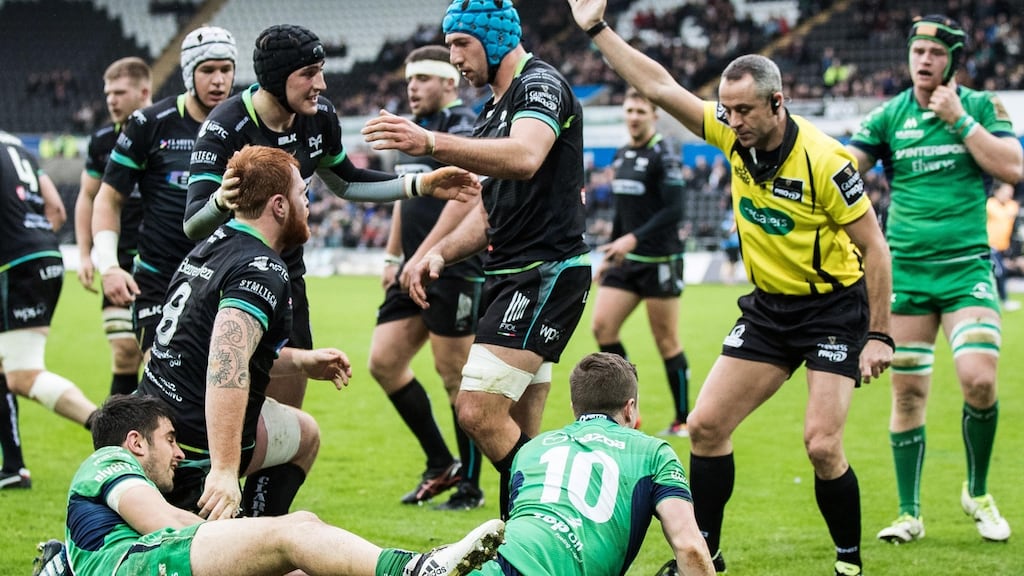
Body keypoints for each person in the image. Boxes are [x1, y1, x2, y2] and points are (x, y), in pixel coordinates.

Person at [565, 2, 894, 575]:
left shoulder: (825, 159)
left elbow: (875, 247)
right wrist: (597, 30)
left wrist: (880, 335)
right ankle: (707, 555)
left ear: (776, 102)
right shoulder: (730, 133)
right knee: (708, 426)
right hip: (770, 309)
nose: (732, 120)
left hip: (833, 311)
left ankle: (848, 562)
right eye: (727, 109)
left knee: (820, 445)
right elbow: (660, 85)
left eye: (744, 110)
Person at [362, 0, 592, 520]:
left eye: (461, 45)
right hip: (510, 273)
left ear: (494, 41)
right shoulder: (493, 108)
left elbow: (526, 157)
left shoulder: (539, 85)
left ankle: (554, 515)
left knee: (476, 410)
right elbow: (491, 208)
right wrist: (436, 252)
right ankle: (530, 536)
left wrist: (431, 143)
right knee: (521, 430)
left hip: (545, 273)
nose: (455, 58)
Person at [184, 24, 480, 414]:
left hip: (286, 278)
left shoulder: (319, 117)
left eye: (321, 70)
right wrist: (221, 202)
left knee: (288, 420)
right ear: (276, 79)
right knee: (229, 412)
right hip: (228, 280)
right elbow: (192, 225)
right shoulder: (226, 126)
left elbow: (346, 182)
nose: (321, 83)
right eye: (308, 74)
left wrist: (422, 184)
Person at [846, 15, 1022, 544]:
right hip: (908, 274)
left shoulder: (983, 107)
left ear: (953, 60)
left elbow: (1014, 167)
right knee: (907, 397)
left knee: (980, 380)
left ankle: (978, 492)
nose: (924, 60)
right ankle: (909, 513)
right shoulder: (887, 116)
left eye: (936, 53)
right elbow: (847, 168)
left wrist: (960, 121)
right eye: (918, 51)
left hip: (966, 268)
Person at [56, 393, 505, 576]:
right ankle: (412, 569)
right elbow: (163, 524)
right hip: (145, 563)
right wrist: (244, 532)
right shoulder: (107, 460)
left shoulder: (106, 488)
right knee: (290, 532)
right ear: (134, 442)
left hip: (149, 563)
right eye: (170, 439)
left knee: (297, 550)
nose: (178, 453)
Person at [137, 145, 348, 520]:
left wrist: (302, 361)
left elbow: (219, 345)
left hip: (150, 420)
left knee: (304, 433)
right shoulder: (262, 267)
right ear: (279, 206)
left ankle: (254, 528)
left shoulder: (210, 246)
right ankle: (254, 540)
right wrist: (222, 469)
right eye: (304, 195)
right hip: (190, 450)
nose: (309, 205)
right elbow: (226, 360)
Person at [368, 45, 486, 510]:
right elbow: (403, 196)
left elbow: (465, 200)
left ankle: (472, 486)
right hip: (413, 265)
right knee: (384, 361)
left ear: (449, 83)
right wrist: (393, 255)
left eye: (422, 78)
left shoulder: (463, 128)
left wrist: (423, 254)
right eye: (409, 79)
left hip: (453, 268)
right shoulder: (410, 131)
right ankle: (441, 463)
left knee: (455, 376)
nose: (412, 87)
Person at [468, 352, 714, 576]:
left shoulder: (532, 449)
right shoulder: (653, 453)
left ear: (575, 408)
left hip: (494, 563)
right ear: (630, 409)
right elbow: (690, 547)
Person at [92, 26, 237, 366]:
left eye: (225, 69)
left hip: (225, 277)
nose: (218, 80)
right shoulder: (150, 123)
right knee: (170, 382)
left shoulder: (244, 121)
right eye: (207, 70)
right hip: (160, 279)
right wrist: (108, 265)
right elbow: (107, 199)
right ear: (189, 72)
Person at [0, 131, 98, 489]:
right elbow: (55, 208)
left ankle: (108, 425)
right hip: (45, 253)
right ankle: (13, 467)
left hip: (15, 265)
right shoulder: (13, 143)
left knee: (22, 376)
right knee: (4, 364)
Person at [590, 87, 690, 437]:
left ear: (654, 115)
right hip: (627, 260)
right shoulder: (620, 155)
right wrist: (609, 252)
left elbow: (675, 210)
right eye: (629, 110)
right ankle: (629, 408)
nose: (633, 117)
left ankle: (682, 420)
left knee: (666, 341)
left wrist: (633, 238)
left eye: (640, 111)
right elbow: (622, 212)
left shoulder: (666, 154)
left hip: (660, 259)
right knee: (603, 328)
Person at [74, 56, 152, 396]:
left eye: (119, 92)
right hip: (117, 261)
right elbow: (87, 198)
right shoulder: (102, 140)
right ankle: (116, 443)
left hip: (161, 261)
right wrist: (85, 253)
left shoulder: (167, 130)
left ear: (143, 91)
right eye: (108, 93)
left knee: (159, 359)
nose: (111, 100)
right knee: (123, 354)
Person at [987, 181, 1020, 312]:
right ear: (997, 191)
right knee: (1000, 271)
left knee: (997, 272)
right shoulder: (990, 205)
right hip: (989, 244)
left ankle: (994, 298)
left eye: (1010, 191)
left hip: (1003, 246)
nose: (1008, 194)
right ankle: (1004, 300)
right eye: (1005, 191)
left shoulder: (1012, 206)